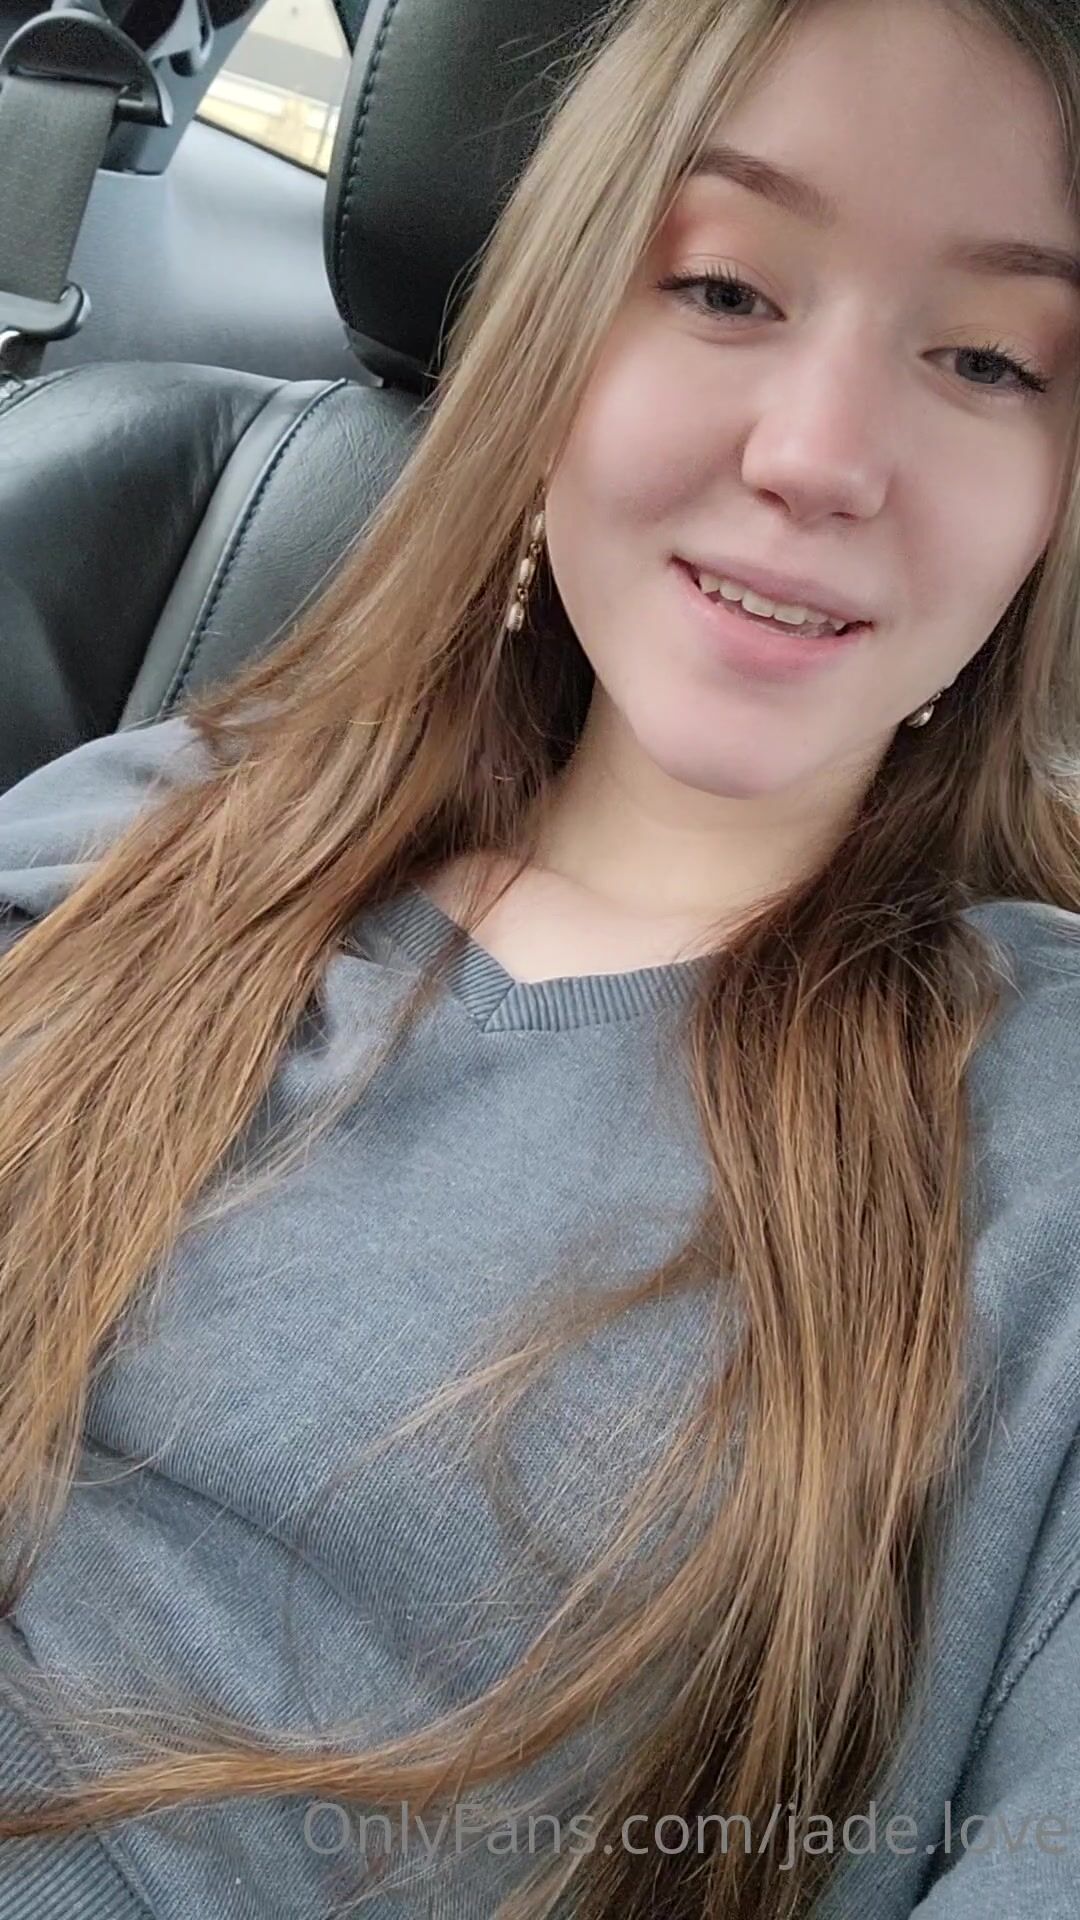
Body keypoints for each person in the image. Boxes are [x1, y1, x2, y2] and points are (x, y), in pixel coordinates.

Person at [0, 0, 1079, 1914]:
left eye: (990, 357)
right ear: (554, 336)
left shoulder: (1041, 1144)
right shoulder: (137, 832)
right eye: (725, 289)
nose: (823, 456)